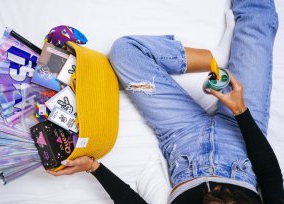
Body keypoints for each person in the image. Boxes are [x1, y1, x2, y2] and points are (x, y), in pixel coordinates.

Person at [47, 0, 284, 203]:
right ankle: (212, 61)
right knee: (256, 26)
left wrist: (93, 167)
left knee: (125, 51)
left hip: (181, 137)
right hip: (241, 140)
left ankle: (210, 60)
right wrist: (241, 111)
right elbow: (271, 177)